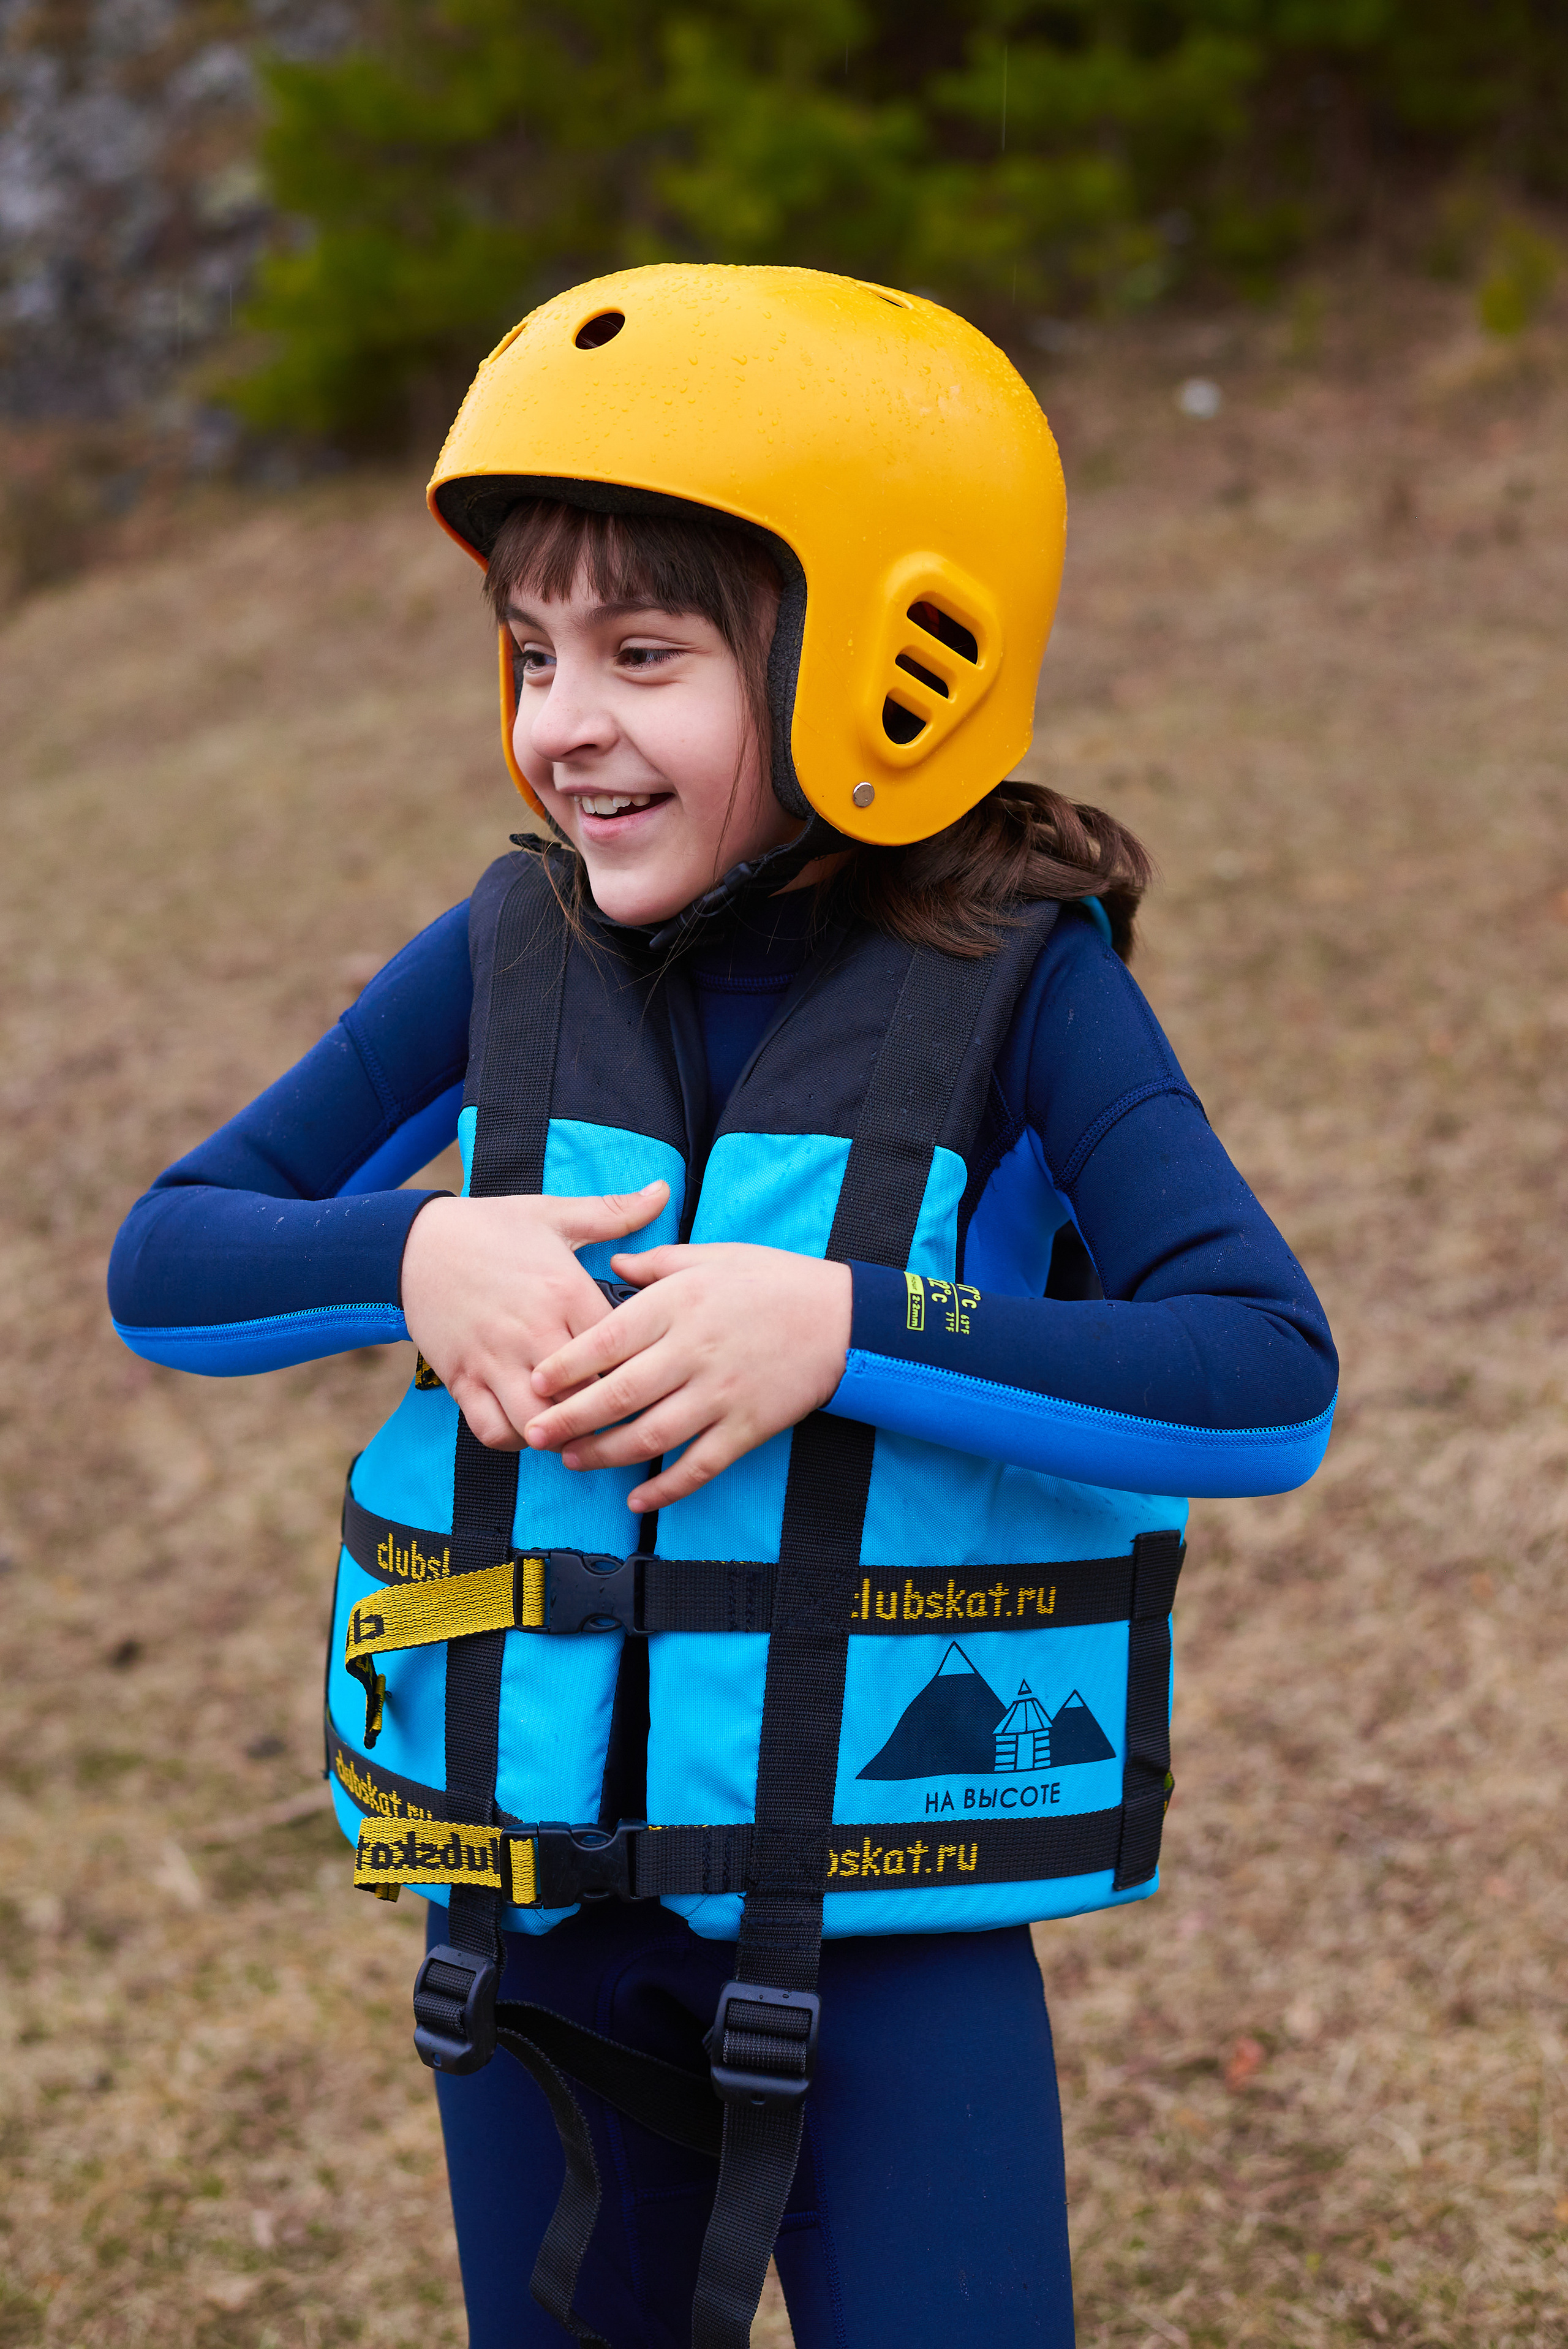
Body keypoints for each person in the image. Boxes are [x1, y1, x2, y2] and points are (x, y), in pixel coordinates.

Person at [108, 266, 1338, 2349]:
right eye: (531, 652)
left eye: (644, 652)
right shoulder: (508, 950)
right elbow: (172, 1254)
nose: (563, 721)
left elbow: (1262, 1377)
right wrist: (408, 1251)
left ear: (895, 656)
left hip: (893, 1943)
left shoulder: (1027, 987)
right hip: (531, 1943)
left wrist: (845, 1327)